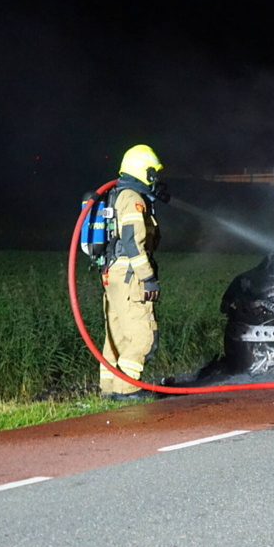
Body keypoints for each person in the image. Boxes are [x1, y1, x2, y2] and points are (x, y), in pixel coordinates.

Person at [100, 144, 167, 399]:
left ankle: (110, 388)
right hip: (130, 276)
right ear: (145, 172)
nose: (156, 178)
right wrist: (148, 279)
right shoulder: (133, 199)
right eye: (154, 173)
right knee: (142, 335)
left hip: (113, 274)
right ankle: (127, 389)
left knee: (115, 336)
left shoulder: (119, 195)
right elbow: (132, 241)